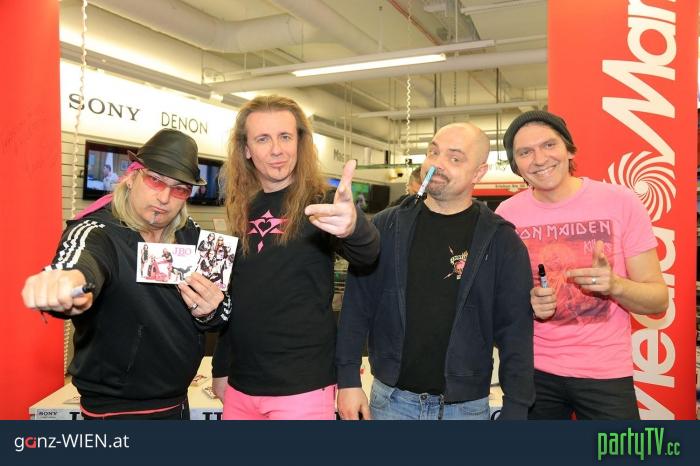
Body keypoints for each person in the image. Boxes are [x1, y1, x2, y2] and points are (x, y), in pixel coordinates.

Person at [22, 128, 230, 420]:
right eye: (155, 180)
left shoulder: (190, 233)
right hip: (115, 412)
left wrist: (210, 310)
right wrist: (67, 282)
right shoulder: (98, 230)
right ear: (132, 176)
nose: (165, 197)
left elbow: (222, 314)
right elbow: (81, 261)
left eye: (180, 189)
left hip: (177, 403)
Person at [336, 122, 535, 420]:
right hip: (390, 403)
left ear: (479, 172)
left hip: (466, 410)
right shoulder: (387, 226)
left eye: (455, 158)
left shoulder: (501, 241)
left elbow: (515, 331)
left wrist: (517, 406)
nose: (438, 164)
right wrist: (348, 380)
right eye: (433, 152)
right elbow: (357, 306)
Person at [211, 95, 380, 420]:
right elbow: (235, 295)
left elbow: (368, 254)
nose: (277, 149)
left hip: (302, 389)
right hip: (242, 386)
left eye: (285, 136)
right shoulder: (241, 208)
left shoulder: (323, 203)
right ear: (246, 149)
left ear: (299, 143)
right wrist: (221, 366)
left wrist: (354, 227)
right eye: (263, 139)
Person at [494, 110, 668, 420]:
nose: (539, 159)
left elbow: (658, 301)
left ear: (569, 149)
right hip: (534, 371)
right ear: (516, 165)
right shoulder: (507, 215)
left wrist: (615, 286)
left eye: (549, 145)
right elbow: (497, 303)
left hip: (606, 374)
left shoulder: (621, 202)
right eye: (525, 152)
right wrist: (529, 305)